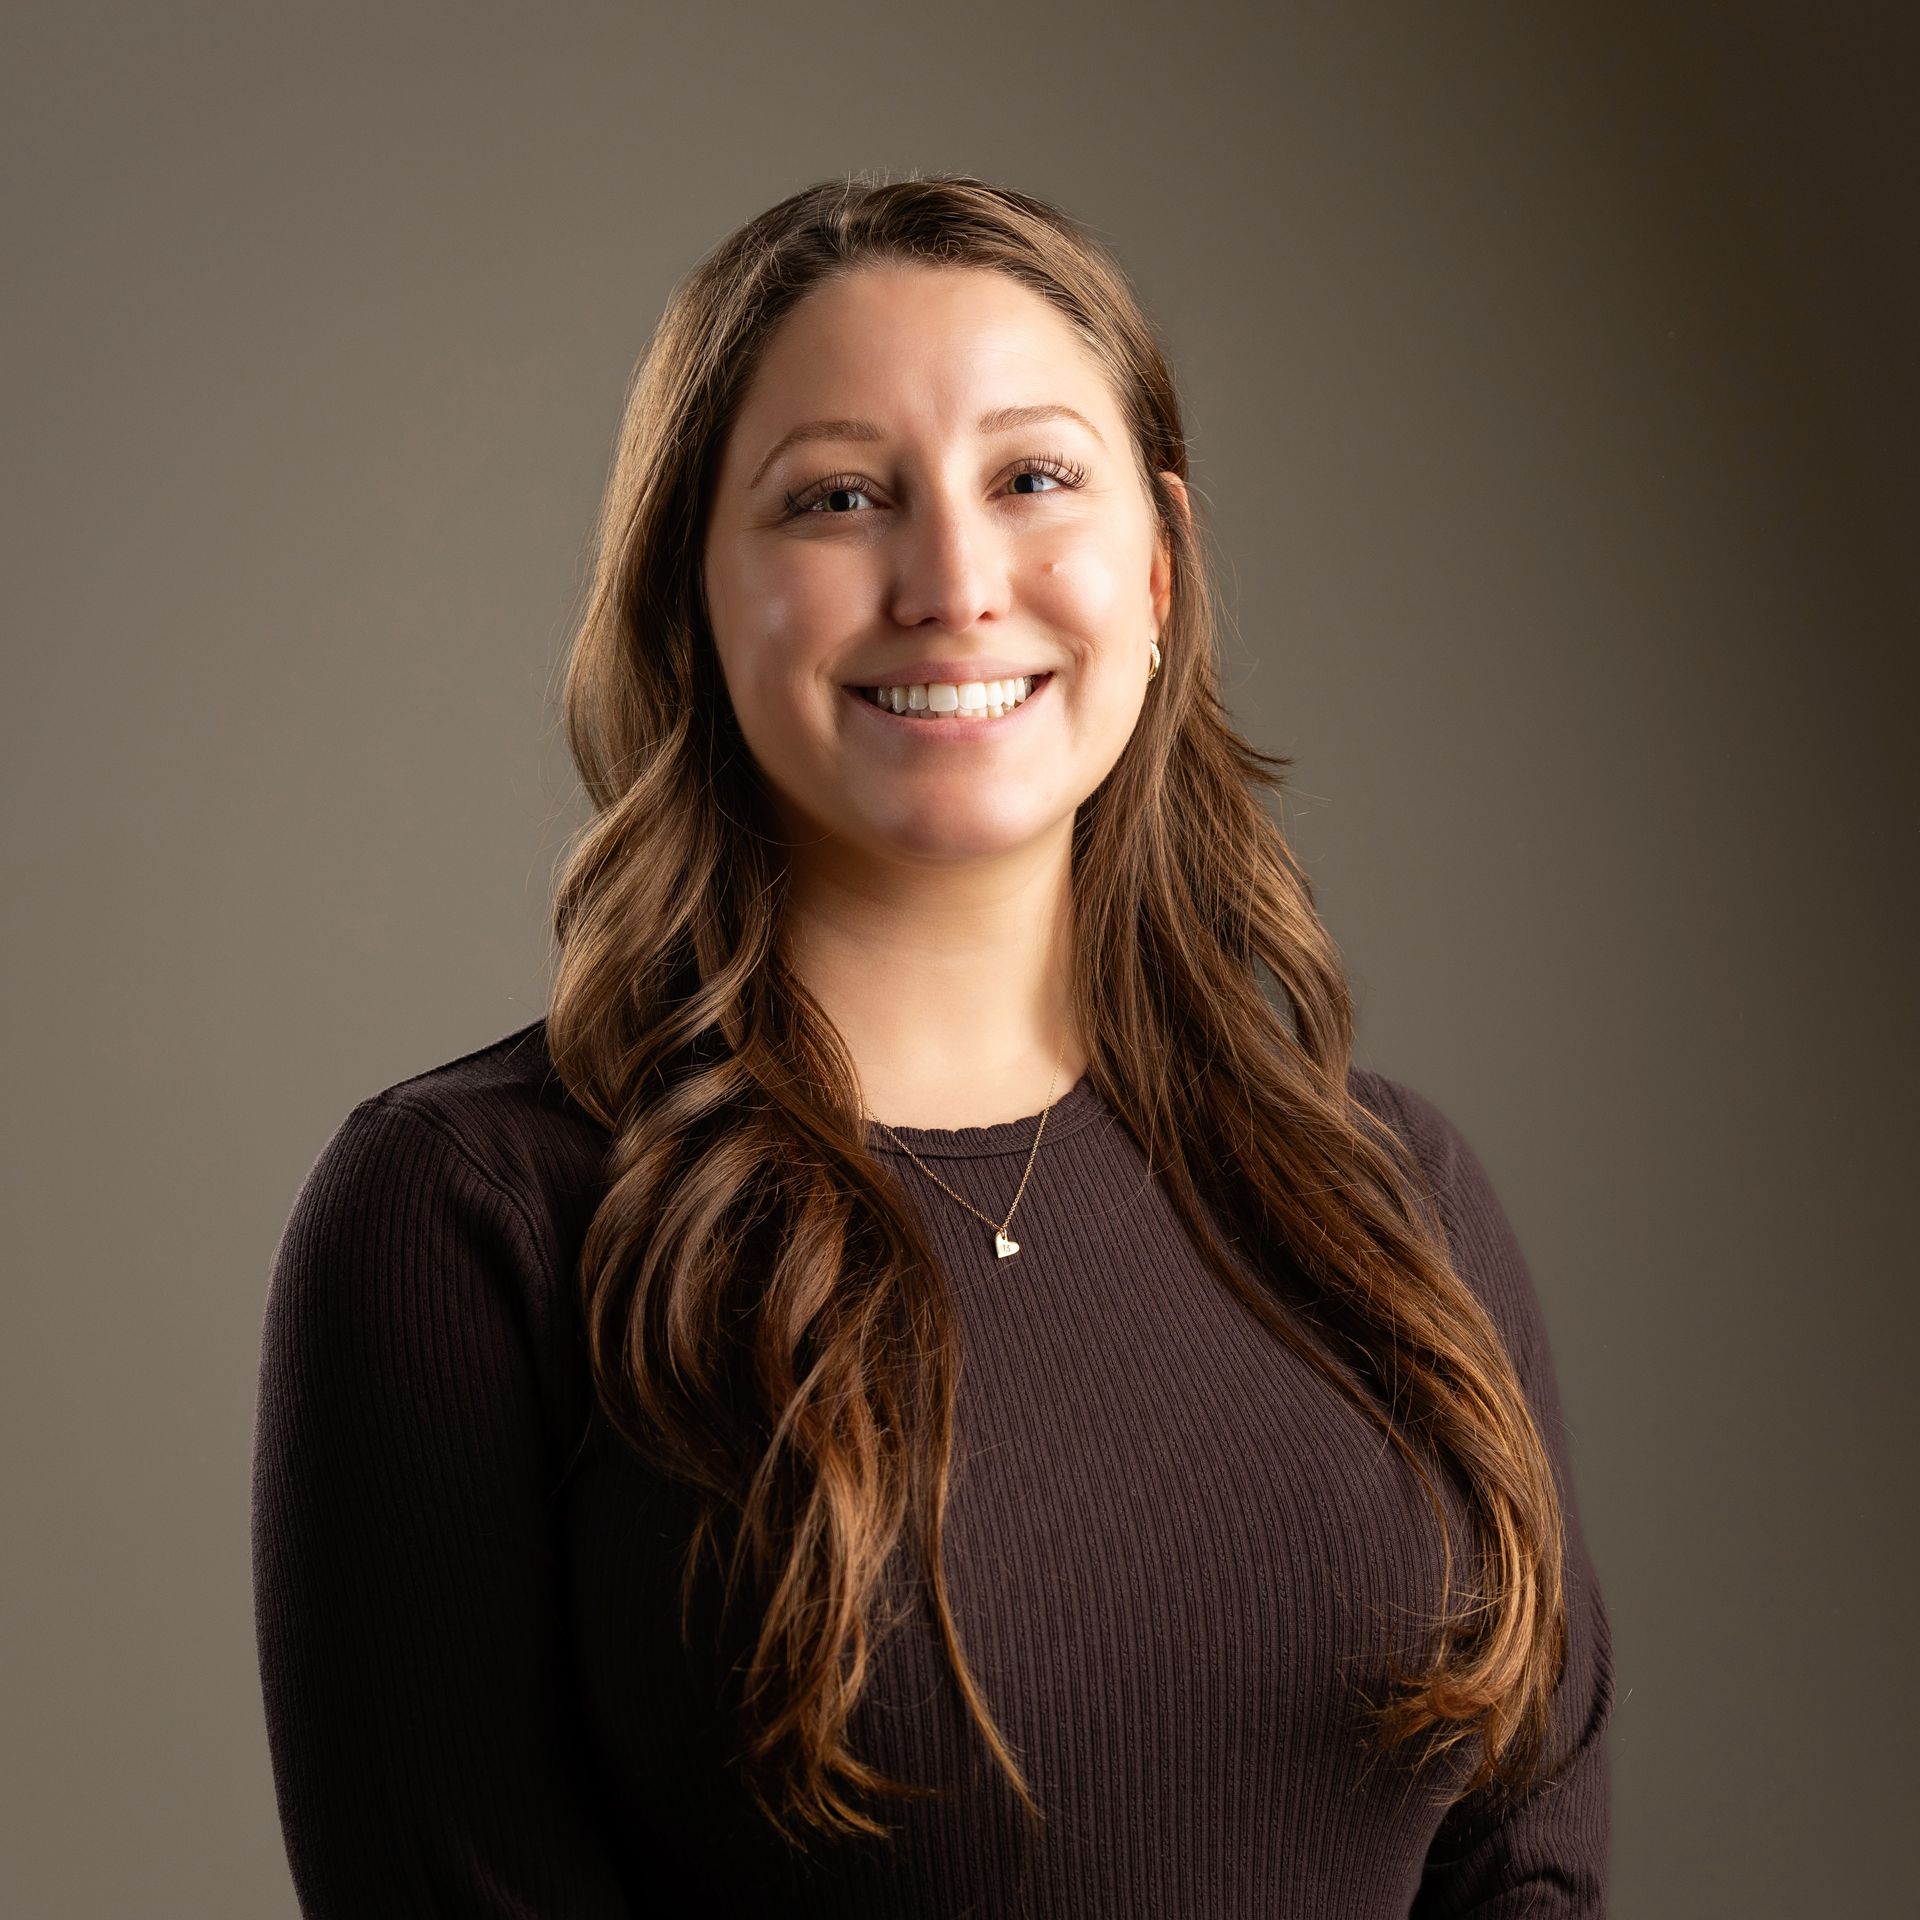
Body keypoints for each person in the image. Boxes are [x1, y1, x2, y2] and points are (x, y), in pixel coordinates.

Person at [251, 173, 1614, 1916]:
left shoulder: (1393, 1195)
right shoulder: (473, 1220)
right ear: (697, 588)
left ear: (1159, 563)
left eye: (1034, 478)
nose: (955, 583)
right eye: (838, 499)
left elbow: (1532, 1872)